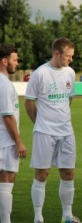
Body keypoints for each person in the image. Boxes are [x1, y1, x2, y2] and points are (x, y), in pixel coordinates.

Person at [25, 37, 80, 223]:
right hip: (44, 131)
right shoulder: (40, 74)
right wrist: (39, 122)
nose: (70, 60)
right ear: (56, 53)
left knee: (68, 172)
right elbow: (29, 102)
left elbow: (69, 99)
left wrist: (61, 117)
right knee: (42, 173)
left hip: (66, 130)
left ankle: (67, 215)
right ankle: (38, 217)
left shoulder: (70, 73)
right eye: (68, 56)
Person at [0, 44, 27, 223]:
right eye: (15, 59)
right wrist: (19, 142)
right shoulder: (3, 84)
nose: (17, 63)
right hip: (5, 140)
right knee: (7, 181)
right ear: (4, 61)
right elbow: (8, 117)